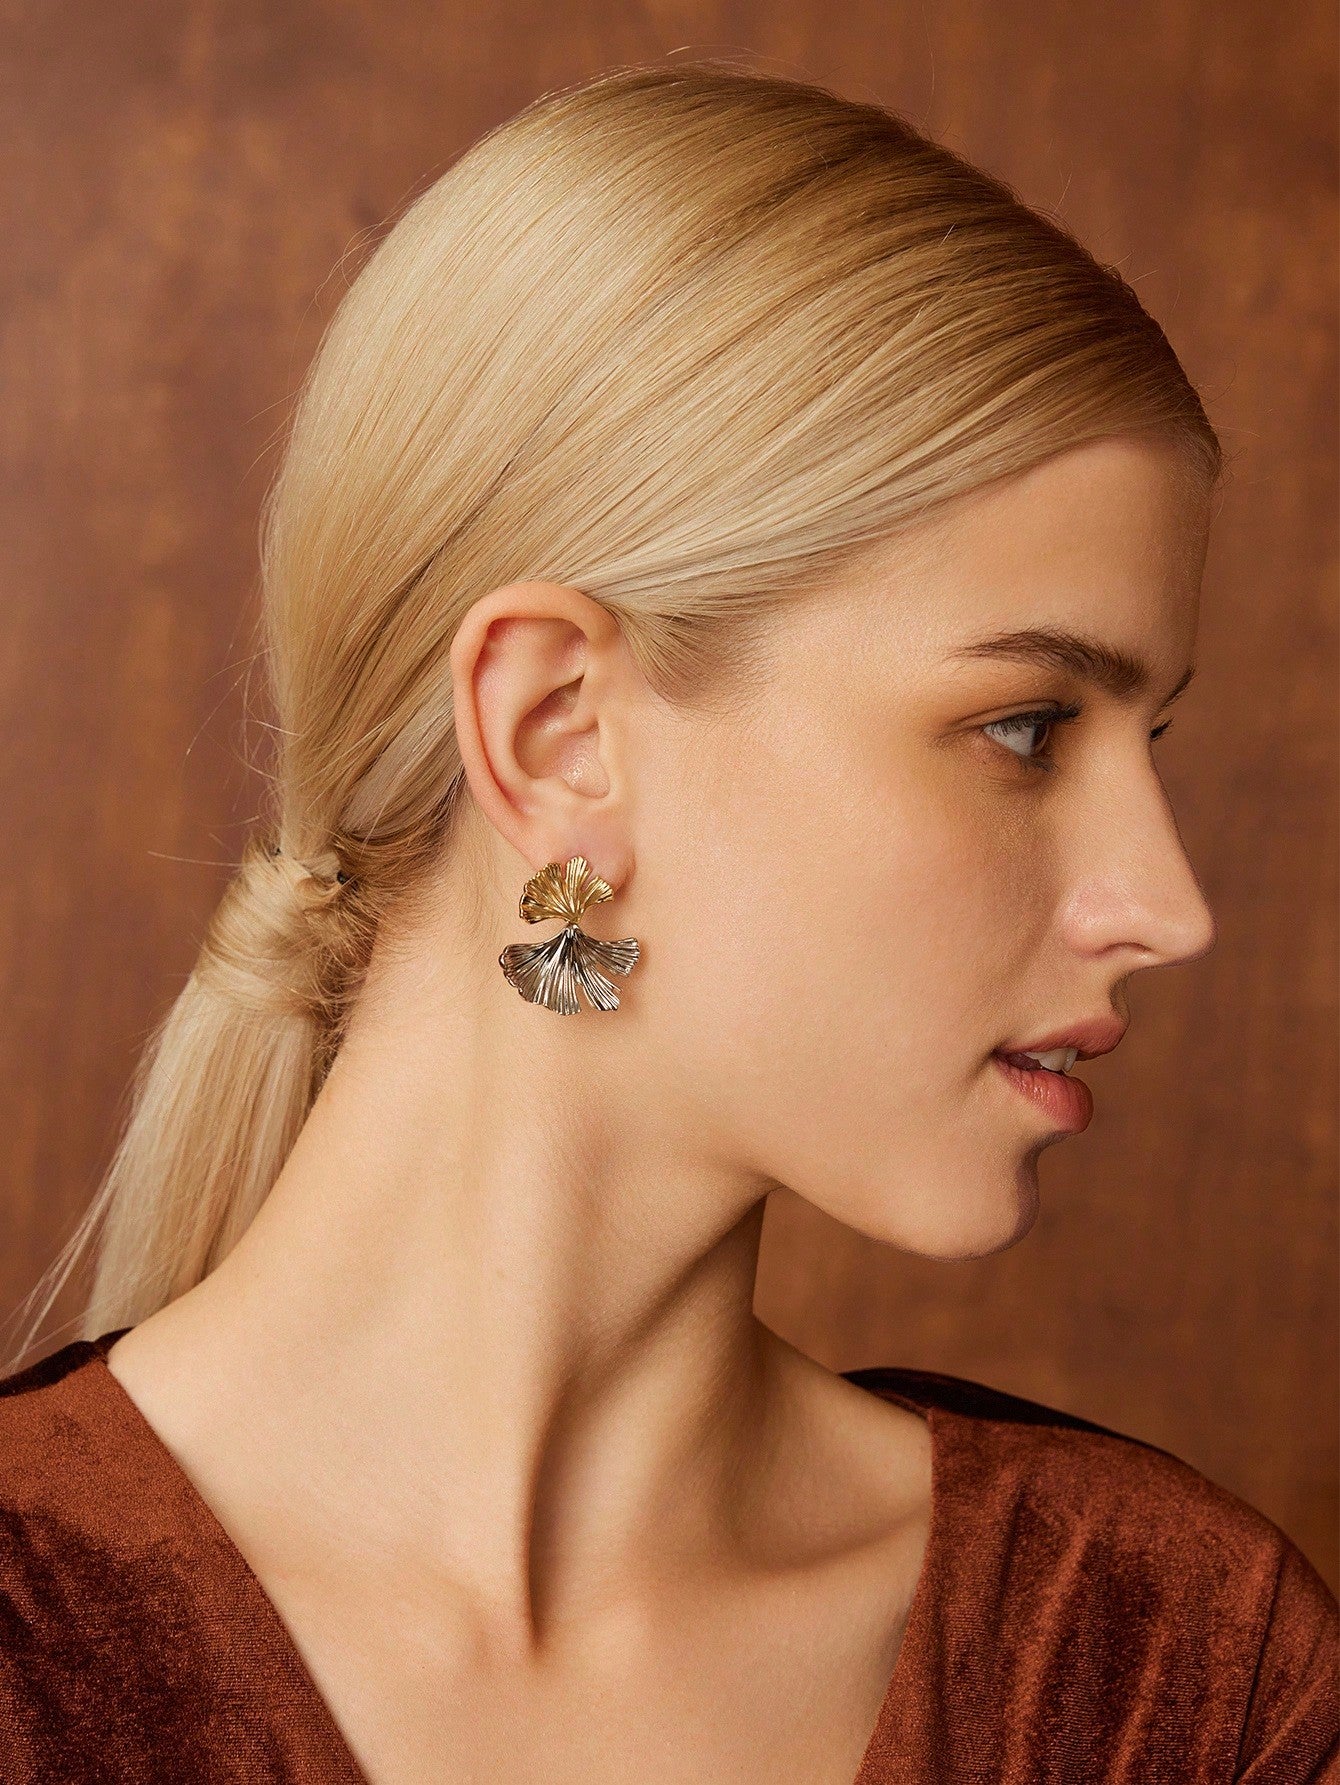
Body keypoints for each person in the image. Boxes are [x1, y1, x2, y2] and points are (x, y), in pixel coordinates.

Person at [0, 58, 1335, 1784]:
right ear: (561, 732)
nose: (1167, 906)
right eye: (1025, 729)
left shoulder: (1176, 1668)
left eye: (1147, 744)